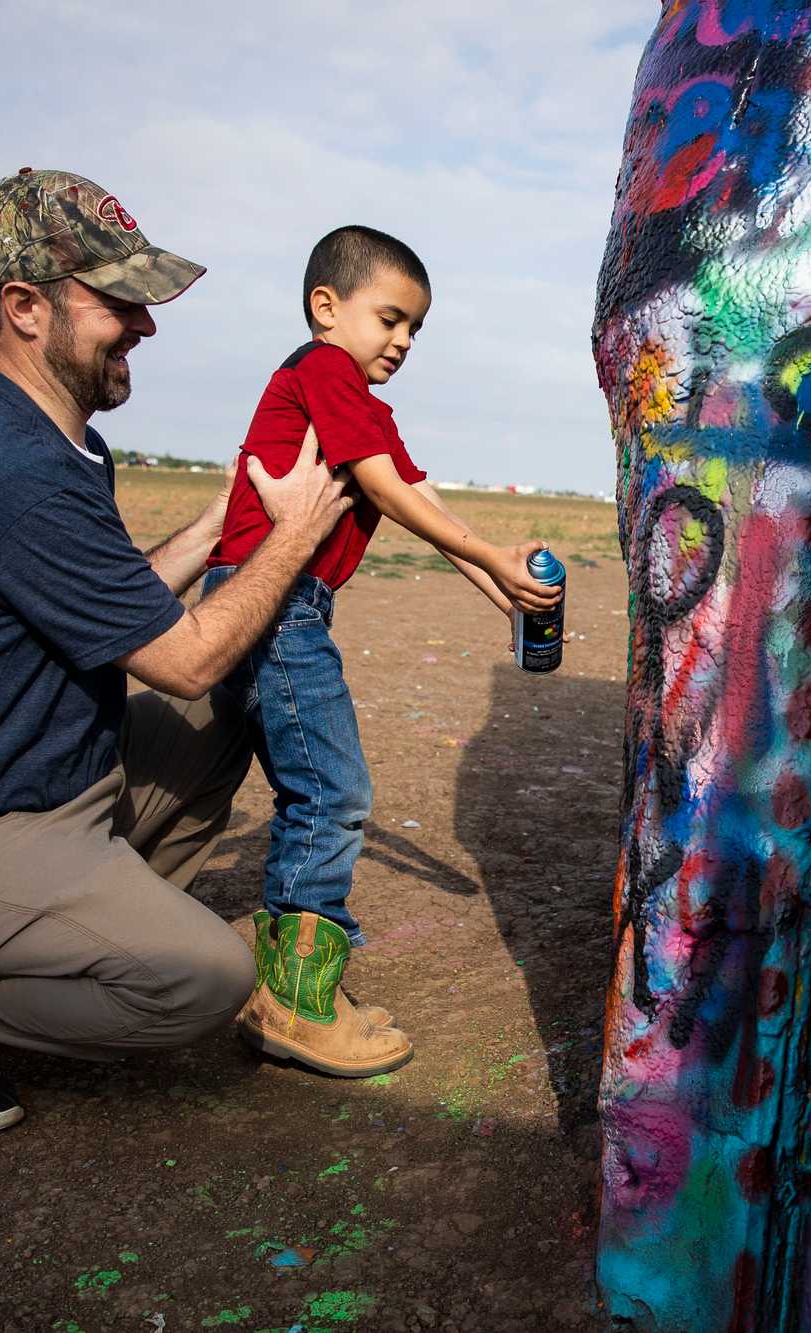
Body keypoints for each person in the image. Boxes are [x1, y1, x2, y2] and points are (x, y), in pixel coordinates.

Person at [0, 168, 362, 1136]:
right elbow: (184, 655)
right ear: (24, 309)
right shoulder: (11, 467)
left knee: (222, 713)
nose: (145, 326)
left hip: (39, 790)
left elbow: (111, 608)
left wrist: (220, 522)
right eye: (120, 303)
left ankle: (78, 932)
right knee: (205, 978)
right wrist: (293, 535)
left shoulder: (55, 444)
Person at [205, 225, 562, 1077]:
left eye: (415, 330)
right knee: (332, 792)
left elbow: (415, 492)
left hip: (277, 607)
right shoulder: (323, 370)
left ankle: (286, 979)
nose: (403, 342)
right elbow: (381, 486)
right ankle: (295, 1002)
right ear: (326, 308)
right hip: (274, 606)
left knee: (311, 789)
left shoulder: (353, 397)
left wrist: (500, 582)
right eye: (391, 319)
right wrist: (485, 559)